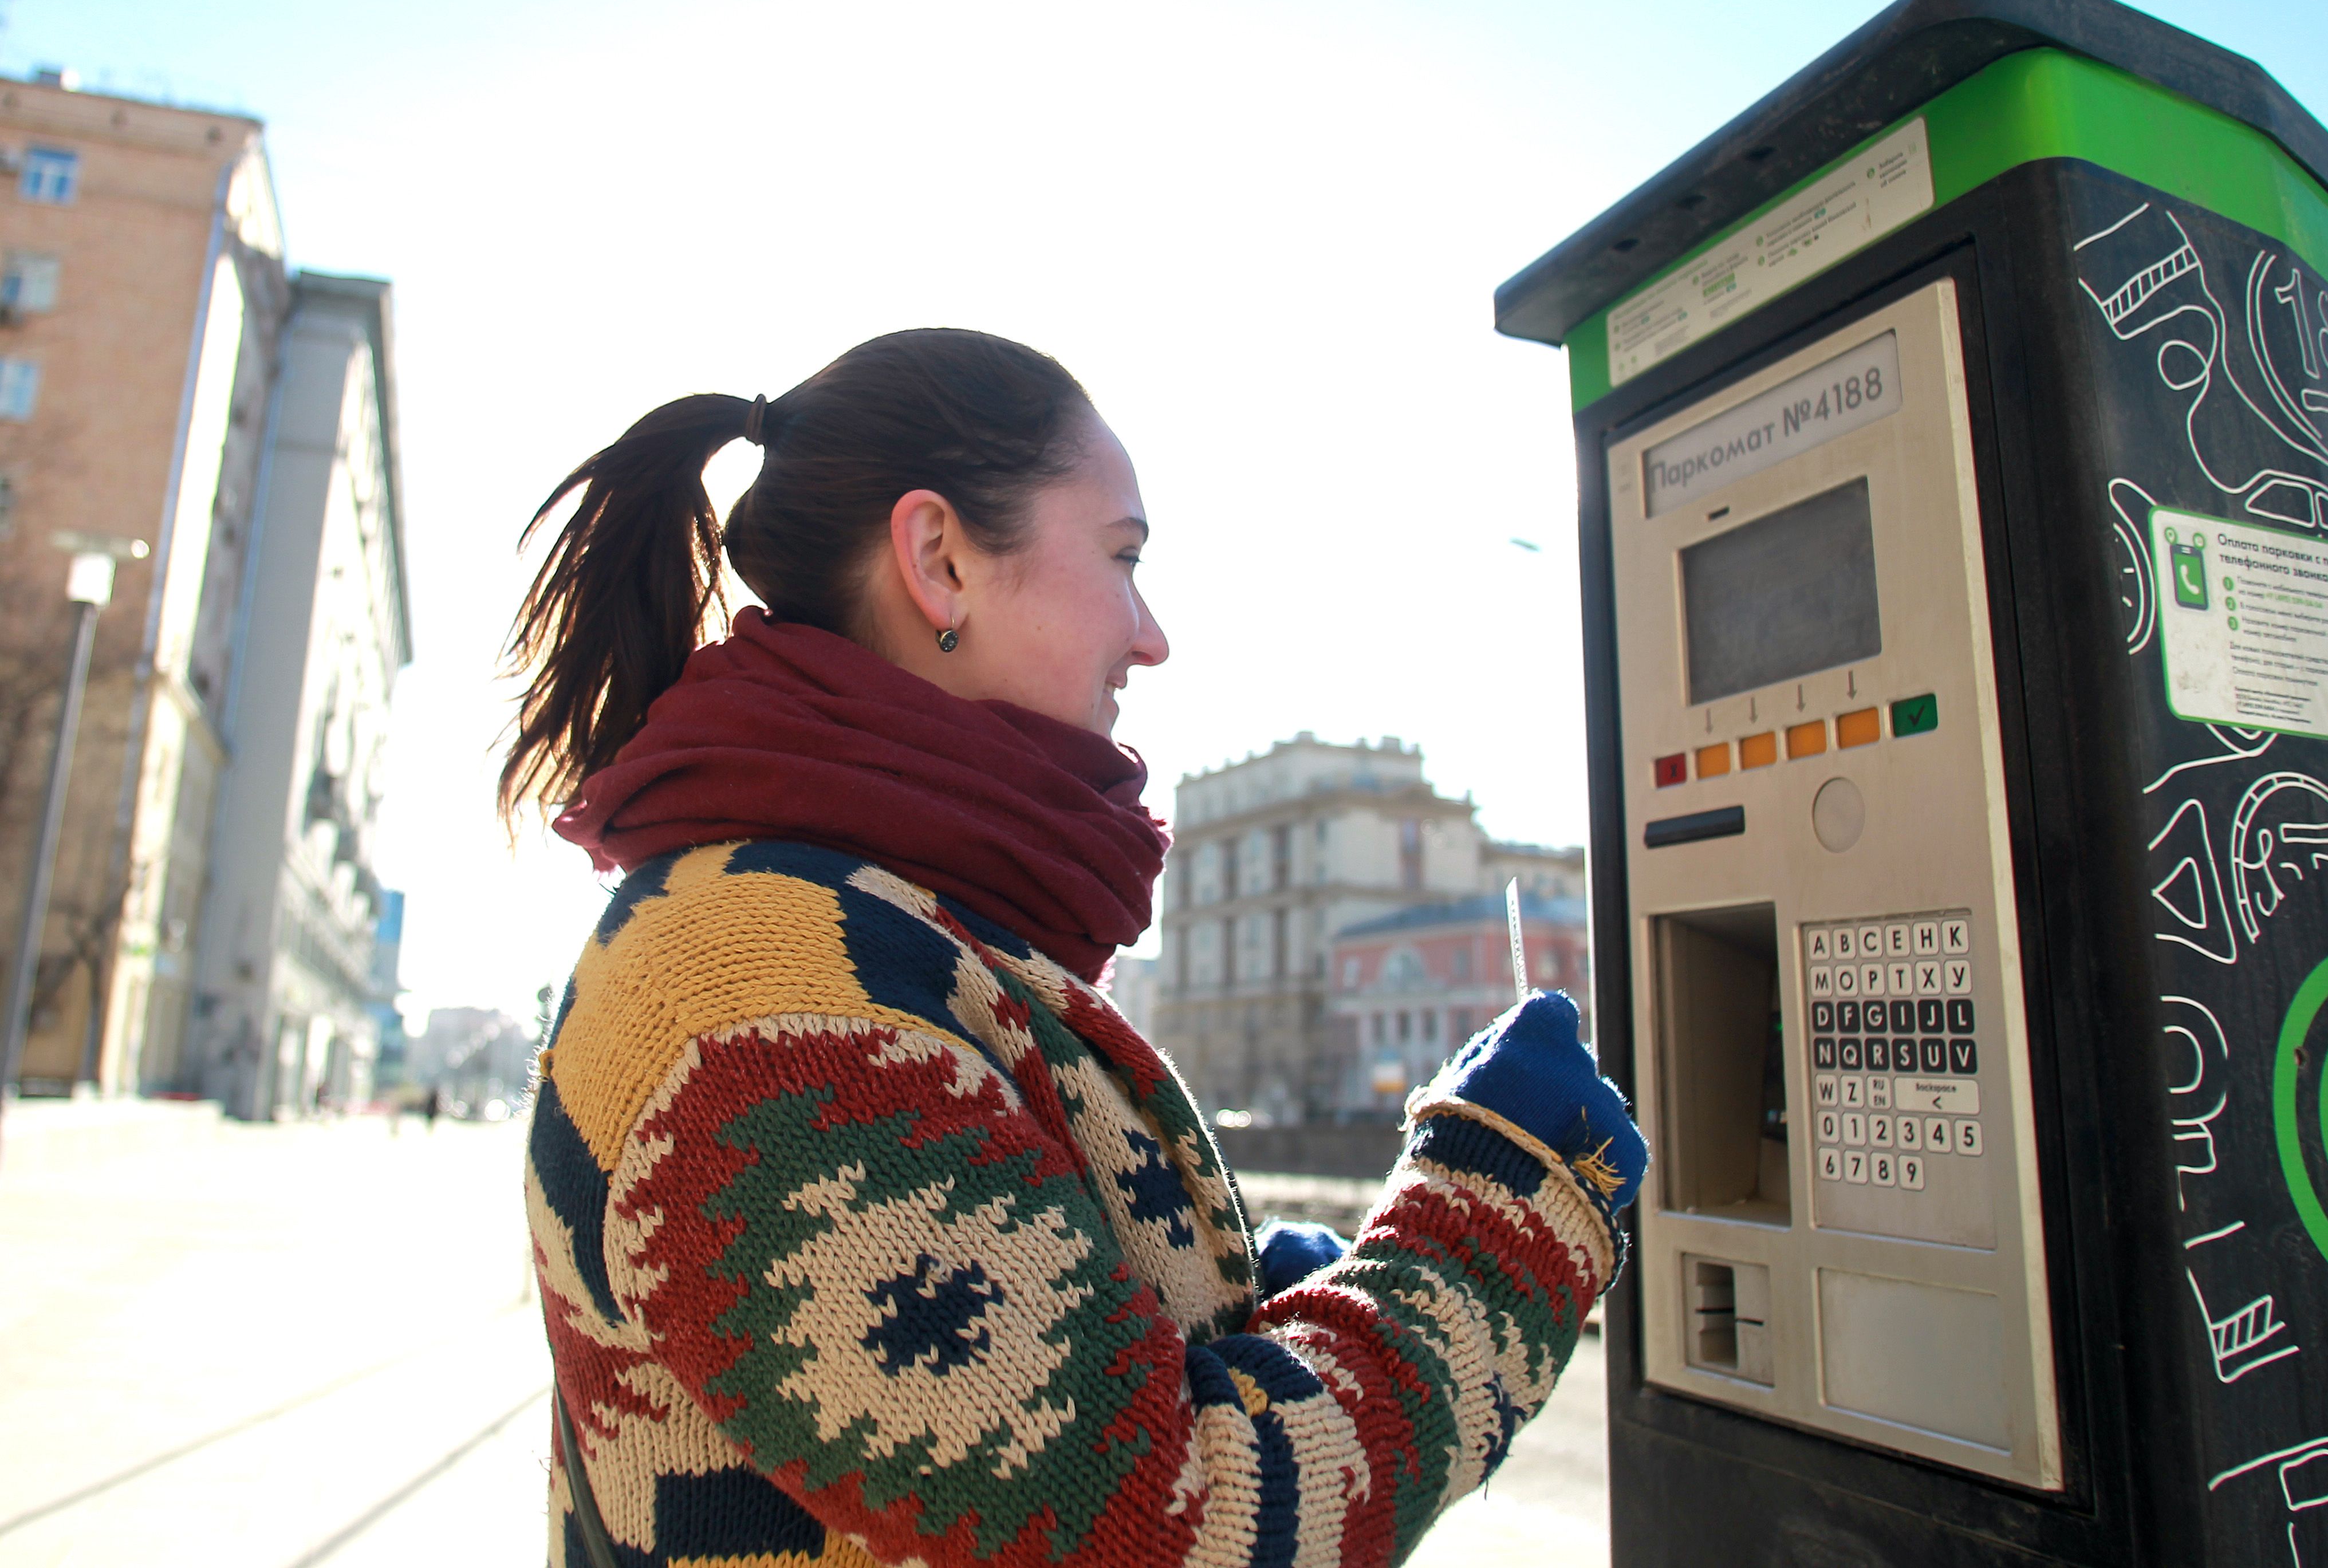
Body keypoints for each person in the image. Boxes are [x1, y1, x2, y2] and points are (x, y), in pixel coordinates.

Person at [504, 328, 1647, 1568]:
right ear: (939, 560)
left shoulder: (855, 919)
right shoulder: (766, 1012)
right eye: (1123, 557)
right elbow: (1173, 1534)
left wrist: (1220, 1310)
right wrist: (1495, 1220)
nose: (1151, 634)